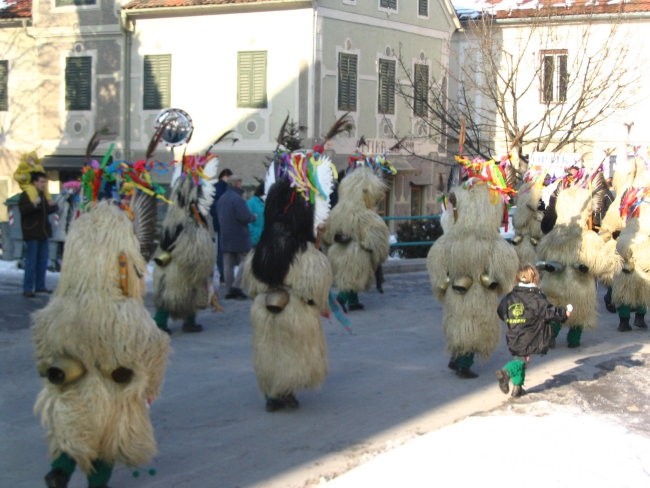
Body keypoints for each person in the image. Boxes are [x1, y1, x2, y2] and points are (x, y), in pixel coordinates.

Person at [496, 264, 572, 397]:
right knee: (521, 361)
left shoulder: (510, 296)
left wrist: (512, 320)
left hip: (513, 334)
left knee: (520, 358)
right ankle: (506, 373)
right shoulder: (536, 298)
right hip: (530, 335)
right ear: (535, 278)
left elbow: (501, 311)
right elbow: (549, 312)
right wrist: (564, 313)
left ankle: (517, 389)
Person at [18, 171, 58, 297]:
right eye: (41, 182)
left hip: (43, 232)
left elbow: (44, 212)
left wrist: (54, 207)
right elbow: (23, 210)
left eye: (45, 182)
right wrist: (34, 204)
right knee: (31, 261)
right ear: (34, 182)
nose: (44, 184)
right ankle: (27, 288)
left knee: (42, 261)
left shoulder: (43, 195)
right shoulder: (26, 195)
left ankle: (40, 286)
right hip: (32, 231)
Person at [216, 174, 256, 299]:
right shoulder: (238, 199)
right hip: (239, 236)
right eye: (240, 182)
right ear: (236, 184)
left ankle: (228, 290)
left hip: (225, 235)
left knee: (228, 264)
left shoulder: (222, 198)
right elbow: (244, 217)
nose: (241, 184)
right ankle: (236, 286)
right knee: (245, 260)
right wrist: (254, 216)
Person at [210, 168, 233, 283]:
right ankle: (223, 274)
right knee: (222, 250)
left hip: (221, 223)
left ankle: (224, 274)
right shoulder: (221, 187)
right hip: (222, 223)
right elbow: (215, 206)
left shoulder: (220, 187)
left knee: (223, 250)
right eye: (229, 177)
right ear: (224, 176)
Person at [247, 182, 265, 247]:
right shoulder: (251, 203)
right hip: (255, 241)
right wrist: (256, 233)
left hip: (267, 241)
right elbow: (246, 221)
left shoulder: (269, 203)